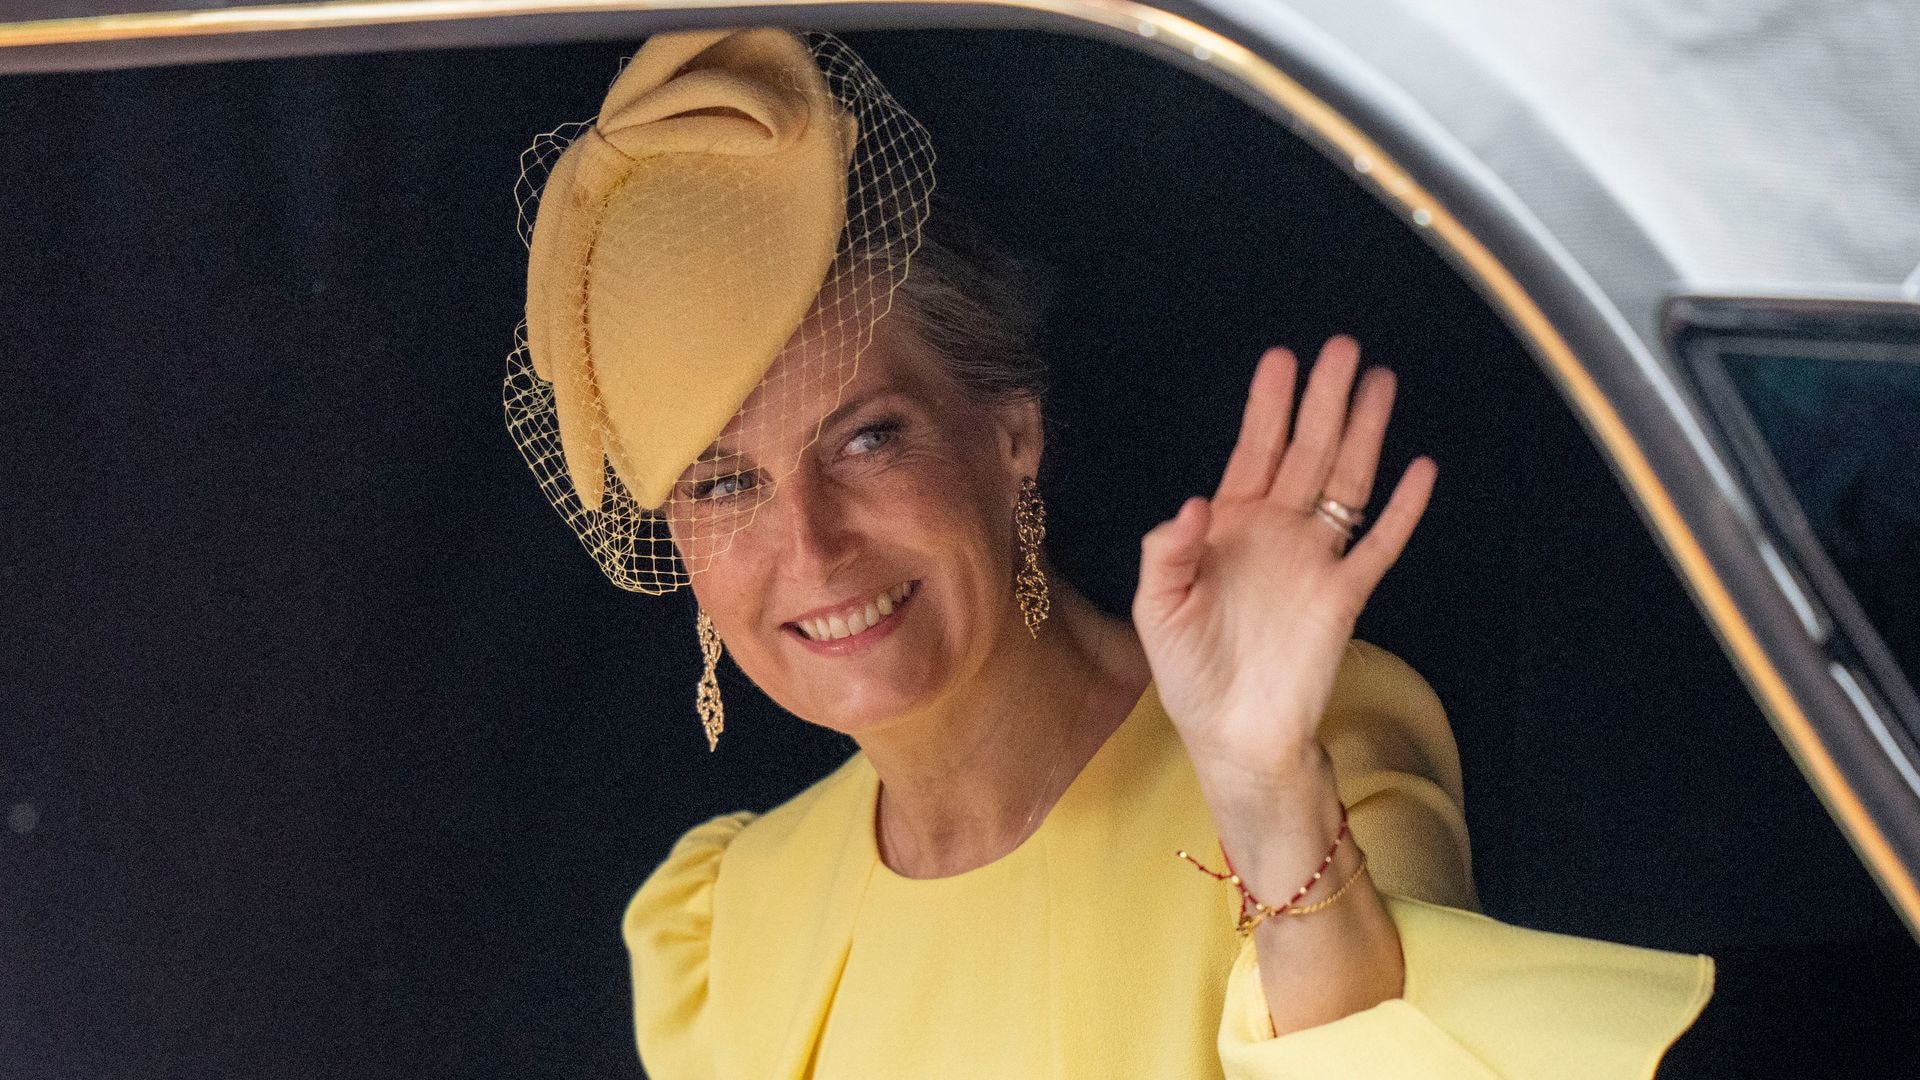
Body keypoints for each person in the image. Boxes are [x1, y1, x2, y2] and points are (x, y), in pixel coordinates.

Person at [507, 27, 1714, 1079]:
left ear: (1009, 436)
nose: (809, 544)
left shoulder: (1318, 765)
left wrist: (1265, 794)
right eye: (725, 484)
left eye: (868, 438)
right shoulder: (729, 924)